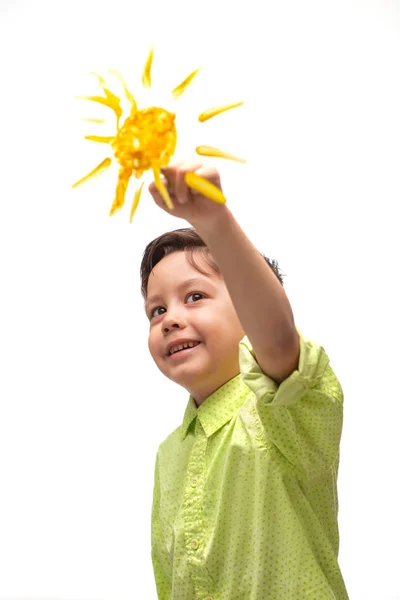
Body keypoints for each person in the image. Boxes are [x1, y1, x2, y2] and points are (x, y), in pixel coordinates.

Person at [140, 160, 349, 600]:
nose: (170, 319)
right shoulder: (168, 454)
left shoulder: (285, 411)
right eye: (156, 310)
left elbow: (275, 335)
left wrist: (214, 222)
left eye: (195, 296)